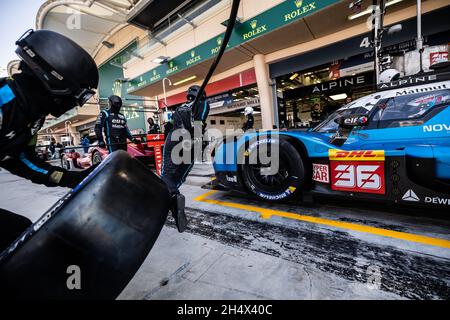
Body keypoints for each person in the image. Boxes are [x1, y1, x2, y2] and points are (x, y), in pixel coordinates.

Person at [0, 29, 99, 252]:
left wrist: (69, 178)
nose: (74, 104)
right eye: (76, 96)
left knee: (20, 234)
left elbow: (22, 159)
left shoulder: (30, 117)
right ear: (53, 79)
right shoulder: (3, 101)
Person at [161, 85, 210, 233]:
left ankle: (173, 197)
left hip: (173, 140)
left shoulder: (179, 108)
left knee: (167, 176)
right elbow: (198, 124)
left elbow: (168, 128)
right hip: (191, 142)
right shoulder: (203, 103)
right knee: (178, 178)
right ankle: (172, 197)